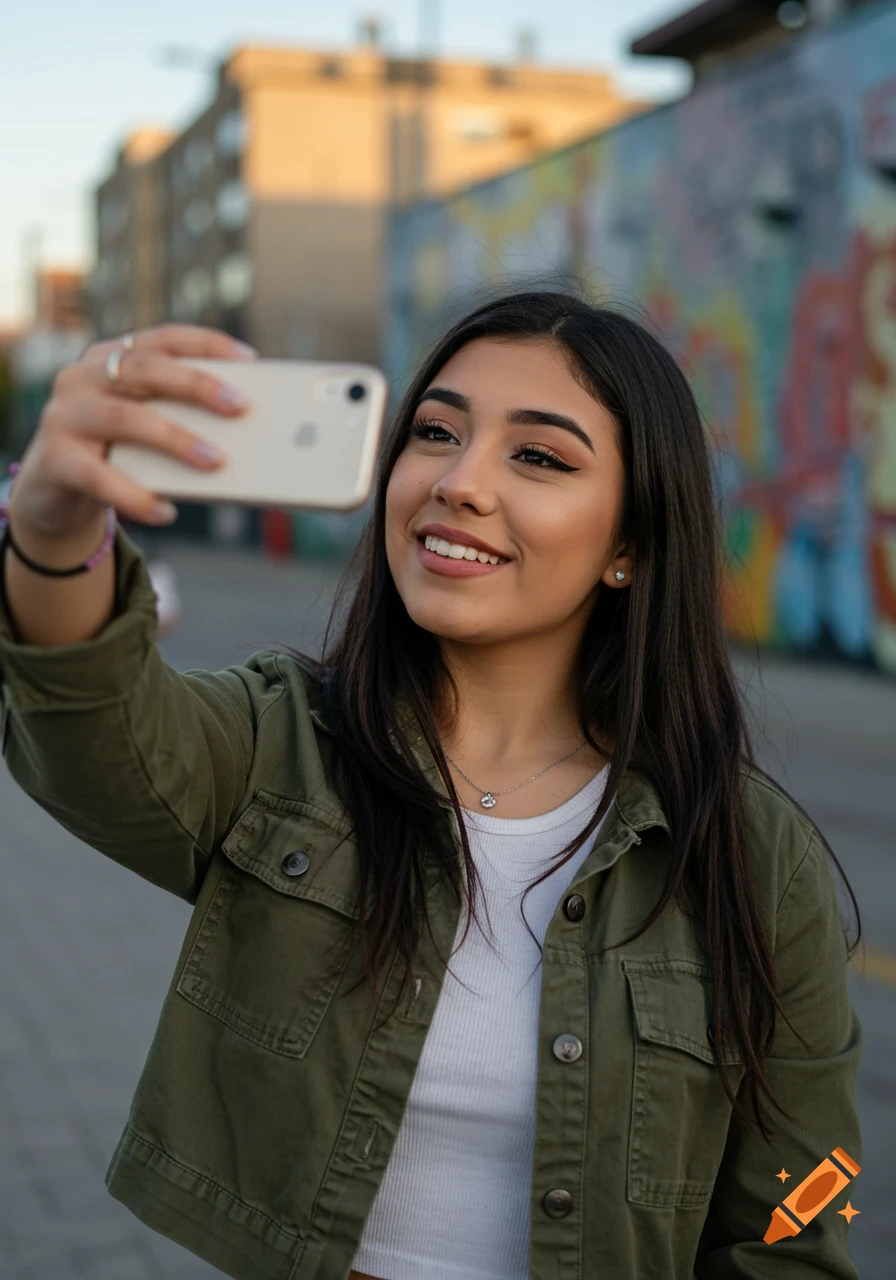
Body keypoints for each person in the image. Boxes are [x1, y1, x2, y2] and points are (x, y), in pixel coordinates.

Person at [0, 293, 862, 1280]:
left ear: (627, 544)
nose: (459, 481)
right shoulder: (285, 741)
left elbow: (793, 1228)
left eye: (536, 456)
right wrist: (54, 526)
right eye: (435, 432)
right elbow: (93, 724)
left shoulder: (750, 856)